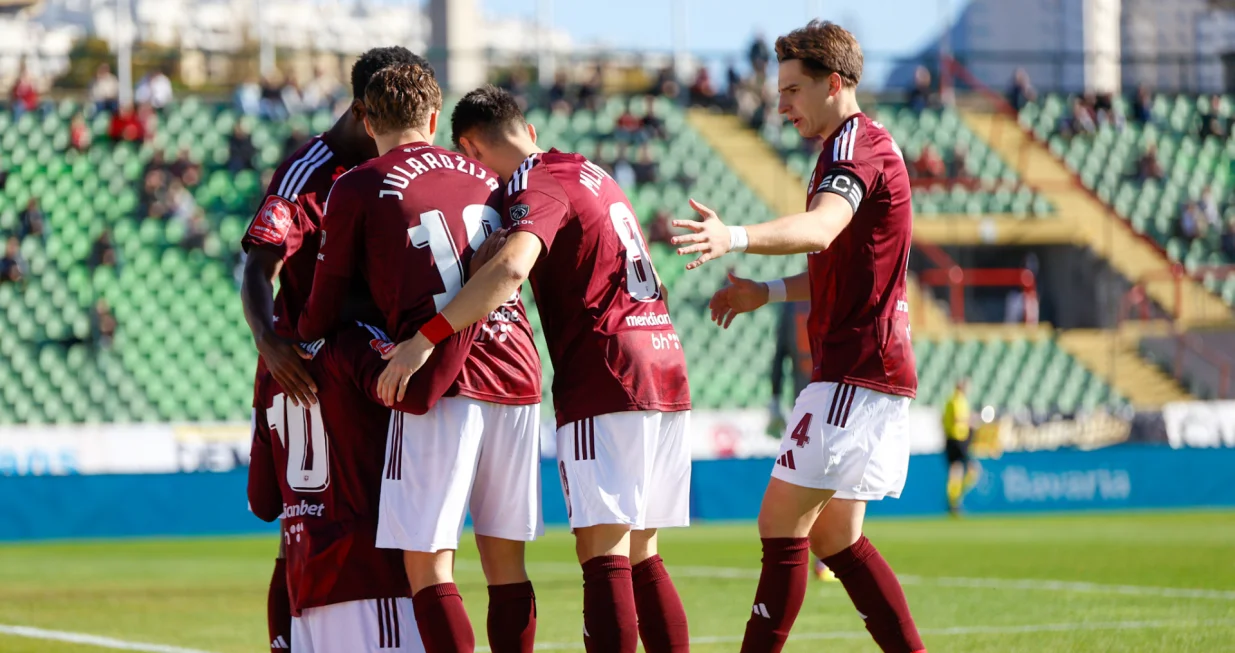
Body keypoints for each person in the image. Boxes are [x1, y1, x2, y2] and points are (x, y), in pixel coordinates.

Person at [380, 84, 693, 653]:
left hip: (609, 373)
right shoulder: (592, 171)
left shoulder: (533, 182)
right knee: (643, 553)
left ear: (470, 150)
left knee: (603, 557)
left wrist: (425, 338)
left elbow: (510, 271)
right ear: (527, 128)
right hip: (665, 361)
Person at [668, 21, 925, 653]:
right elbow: (839, 262)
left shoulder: (854, 148)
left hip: (854, 370)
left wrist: (735, 237)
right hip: (872, 367)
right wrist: (768, 292)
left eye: (791, 90)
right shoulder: (856, 147)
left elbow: (820, 230)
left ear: (834, 84)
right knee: (835, 539)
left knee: (780, 523)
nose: (780, 104)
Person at [297, 67, 544, 653]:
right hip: (518, 365)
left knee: (429, 566)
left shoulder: (356, 184)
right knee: (506, 564)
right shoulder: (486, 174)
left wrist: (310, 337)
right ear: (434, 120)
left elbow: (322, 308)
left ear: (367, 120)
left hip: (440, 374)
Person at [239, 45, 432, 653]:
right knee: (302, 525)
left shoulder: (399, 168)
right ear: (362, 112)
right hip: (316, 368)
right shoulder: (308, 171)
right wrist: (270, 344)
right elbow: (257, 267)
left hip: (375, 363)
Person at [249, 322, 453, 652]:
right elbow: (419, 397)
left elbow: (262, 503)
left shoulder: (272, 365)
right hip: (369, 579)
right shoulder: (356, 342)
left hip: (303, 593)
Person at [943, 378, 979, 514]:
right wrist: (972, 420)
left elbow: (943, 420)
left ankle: (953, 502)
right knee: (972, 471)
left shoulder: (950, 400)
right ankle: (955, 499)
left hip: (951, 439)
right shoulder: (958, 400)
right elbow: (958, 419)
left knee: (955, 471)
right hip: (959, 439)